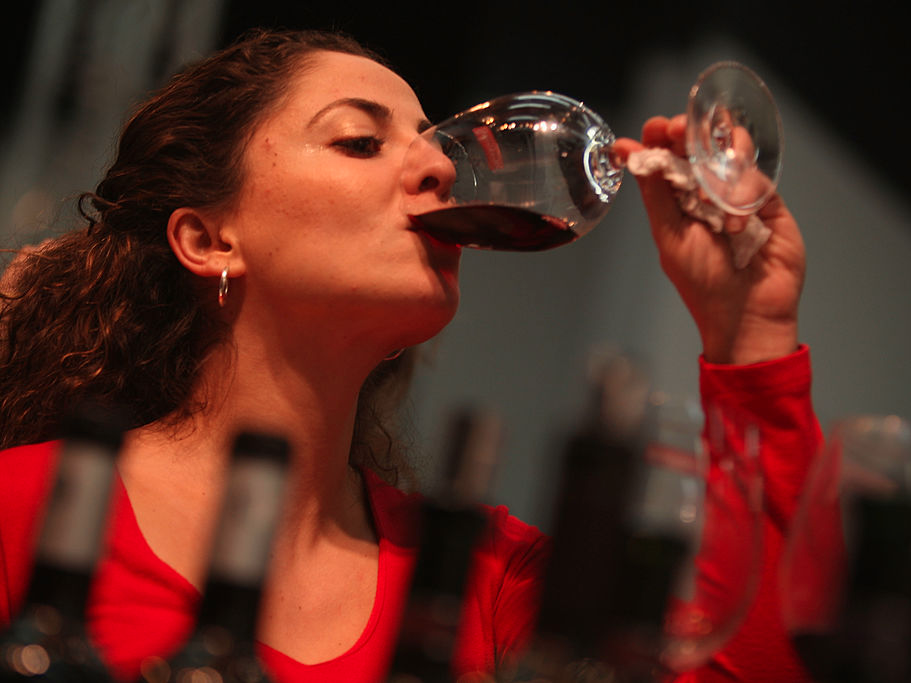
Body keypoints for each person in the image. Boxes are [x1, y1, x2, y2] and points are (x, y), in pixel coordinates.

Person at [0, 28, 820, 682]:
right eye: (360, 141)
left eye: (434, 140)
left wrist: (750, 335)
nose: (443, 167)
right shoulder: (25, 512)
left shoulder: (479, 578)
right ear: (209, 238)